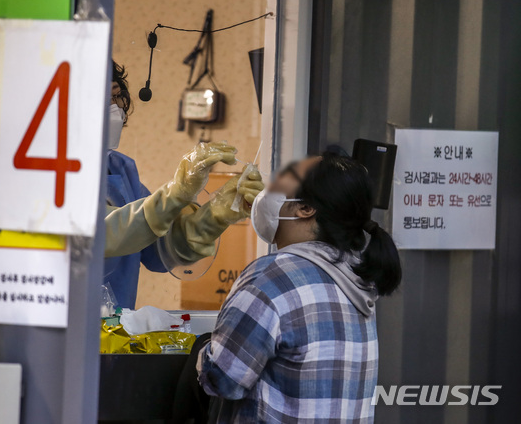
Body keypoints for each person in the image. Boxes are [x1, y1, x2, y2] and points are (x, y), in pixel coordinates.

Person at [196, 152, 403, 423]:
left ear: (305, 208)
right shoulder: (355, 277)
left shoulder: (271, 276)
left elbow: (222, 379)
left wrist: (201, 351)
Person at [103, 61, 263, 308]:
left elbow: (159, 252)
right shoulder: (48, 173)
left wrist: (215, 215)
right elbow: (103, 234)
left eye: (116, 97)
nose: (114, 109)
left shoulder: (120, 170)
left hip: (113, 334)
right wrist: (177, 193)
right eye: (105, 99)